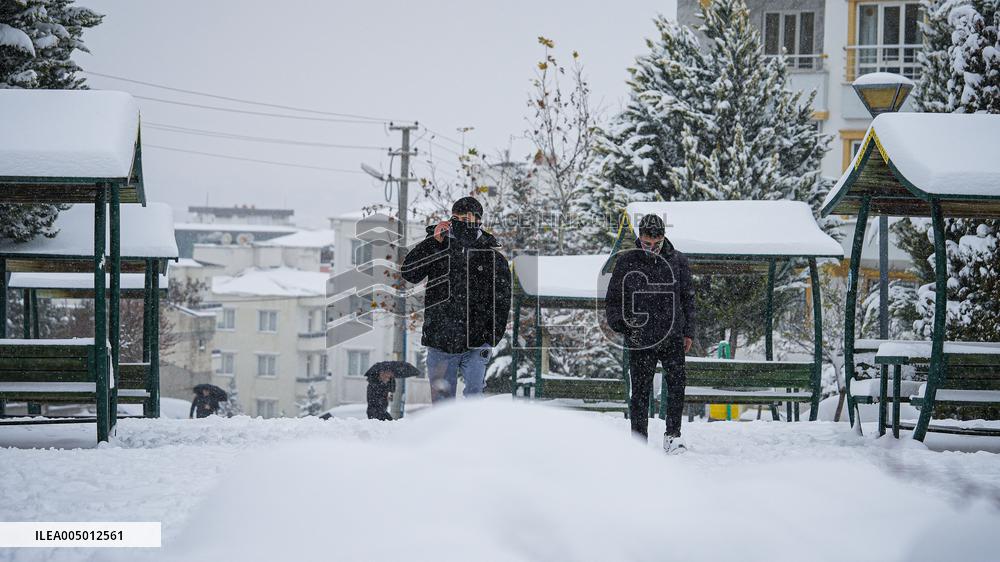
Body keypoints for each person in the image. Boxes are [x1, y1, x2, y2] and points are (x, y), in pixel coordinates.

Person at [401, 197, 512, 403]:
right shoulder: (437, 248)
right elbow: (409, 273)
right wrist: (432, 242)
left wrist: (491, 336)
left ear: (477, 220)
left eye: (465, 217)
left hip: (477, 341)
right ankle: (444, 436)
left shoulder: (492, 257)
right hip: (440, 340)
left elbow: (502, 300)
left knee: (474, 399)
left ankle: (471, 436)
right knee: (442, 403)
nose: (460, 222)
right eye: (455, 217)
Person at [605, 214, 695, 454]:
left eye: (656, 244)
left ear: (664, 238)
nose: (652, 249)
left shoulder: (678, 261)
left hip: (673, 336)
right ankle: (638, 442)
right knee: (640, 391)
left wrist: (689, 332)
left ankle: (673, 436)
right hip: (640, 338)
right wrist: (624, 325)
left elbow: (688, 299)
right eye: (646, 244)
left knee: (677, 386)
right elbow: (613, 300)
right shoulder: (627, 262)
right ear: (639, 239)